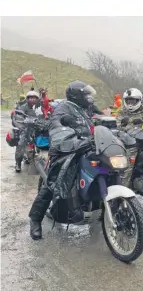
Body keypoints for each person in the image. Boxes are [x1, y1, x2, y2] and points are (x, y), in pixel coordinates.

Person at [28, 80, 97, 240]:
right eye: (85, 94)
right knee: (54, 183)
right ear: (76, 95)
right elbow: (56, 124)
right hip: (64, 149)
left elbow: (99, 118)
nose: (88, 97)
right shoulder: (63, 108)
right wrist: (61, 130)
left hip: (85, 147)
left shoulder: (86, 108)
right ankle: (35, 220)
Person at [116, 88, 143, 189]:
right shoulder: (122, 112)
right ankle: (123, 190)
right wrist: (124, 124)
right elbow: (118, 127)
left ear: (139, 100)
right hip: (131, 142)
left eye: (133, 101)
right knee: (128, 163)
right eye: (128, 101)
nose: (130, 103)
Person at [14, 90, 42, 173]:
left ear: (37, 99)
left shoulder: (40, 106)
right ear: (27, 99)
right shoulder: (23, 107)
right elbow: (18, 116)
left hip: (38, 128)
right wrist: (22, 122)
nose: (32, 100)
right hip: (26, 129)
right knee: (21, 144)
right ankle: (18, 163)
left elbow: (46, 114)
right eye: (31, 98)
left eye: (34, 98)